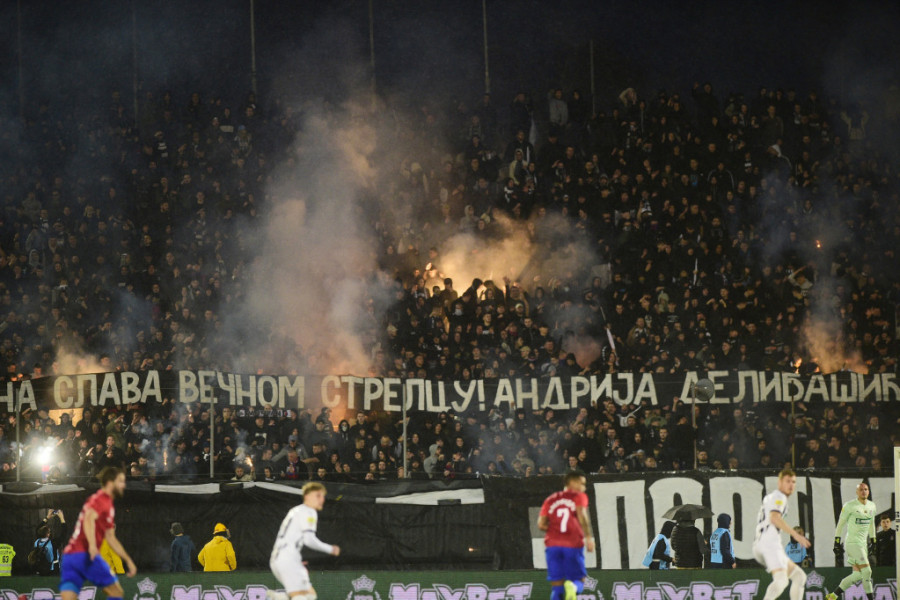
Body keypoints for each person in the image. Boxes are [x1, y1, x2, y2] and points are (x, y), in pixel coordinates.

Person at [59, 467, 137, 600]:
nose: (123, 485)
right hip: (85, 555)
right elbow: (89, 519)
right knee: (116, 593)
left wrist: (128, 560)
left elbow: (111, 538)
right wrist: (92, 546)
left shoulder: (102, 501)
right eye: (120, 481)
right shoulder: (102, 500)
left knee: (69, 597)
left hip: (70, 556)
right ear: (110, 482)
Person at [267, 482, 340, 600]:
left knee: (310, 595)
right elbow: (309, 540)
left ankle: (281, 598)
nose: (321, 499)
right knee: (300, 597)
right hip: (286, 558)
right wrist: (331, 549)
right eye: (318, 495)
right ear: (307, 496)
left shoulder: (296, 510)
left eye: (322, 496)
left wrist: (294, 560)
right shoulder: (308, 511)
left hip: (283, 558)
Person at [537, 470, 595, 600]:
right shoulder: (578, 496)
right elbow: (582, 516)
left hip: (552, 546)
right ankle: (573, 587)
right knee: (579, 580)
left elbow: (541, 524)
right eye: (582, 484)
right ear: (572, 483)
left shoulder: (550, 499)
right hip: (572, 544)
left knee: (557, 588)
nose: (584, 488)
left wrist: (555, 531)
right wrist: (588, 537)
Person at [752, 468, 810, 600]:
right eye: (787, 481)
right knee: (781, 581)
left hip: (764, 544)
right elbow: (774, 518)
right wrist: (796, 535)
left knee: (799, 577)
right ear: (779, 483)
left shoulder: (770, 497)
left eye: (793, 482)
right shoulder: (779, 497)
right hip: (768, 544)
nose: (791, 485)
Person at [827, 482, 877, 600]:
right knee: (867, 571)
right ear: (857, 492)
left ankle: (833, 596)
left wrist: (874, 541)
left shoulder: (872, 506)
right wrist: (836, 542)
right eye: (861, 489)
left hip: (863, 544)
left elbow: (871, 524)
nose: (863, 491)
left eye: (865, 489)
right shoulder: (850, 506)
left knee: (858, 575)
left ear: (868, 491)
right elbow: (840, 525)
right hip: (853, 543)